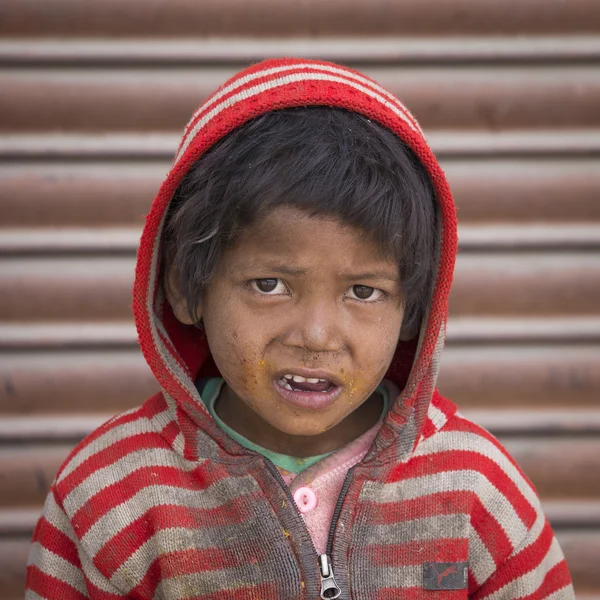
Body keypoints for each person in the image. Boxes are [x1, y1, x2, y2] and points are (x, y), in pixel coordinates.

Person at [26, 58, 574, 599]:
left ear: (413, 312)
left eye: (364, 292)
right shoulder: (111, 494)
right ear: (185, 288)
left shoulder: (476, 487)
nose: (316, 335)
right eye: (269, 284)